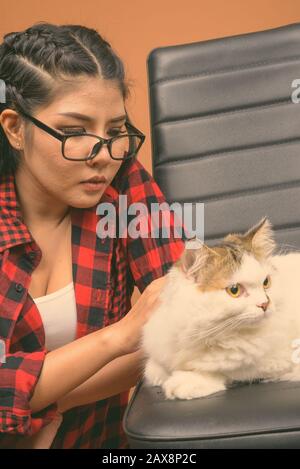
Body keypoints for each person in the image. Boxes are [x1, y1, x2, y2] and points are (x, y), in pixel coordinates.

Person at [0, 22, 186, 449]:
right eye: (74, 132)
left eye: (115, 131)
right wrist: (117, 338)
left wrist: (42, 401)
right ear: (14, 127)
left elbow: (190, 322)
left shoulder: (120, 182)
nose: (103, 155)